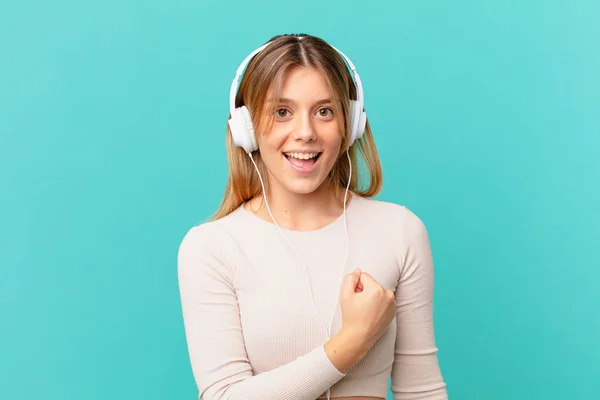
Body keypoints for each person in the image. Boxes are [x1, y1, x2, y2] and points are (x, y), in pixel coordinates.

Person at [177, 33, 448, 400]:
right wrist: (352, 341)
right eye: (282, 112)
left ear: (350, 125)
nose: (305, 133)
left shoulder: (399, 231)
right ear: (248, 128)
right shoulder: (211, 247)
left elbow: (422, 391)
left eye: (324, 111)